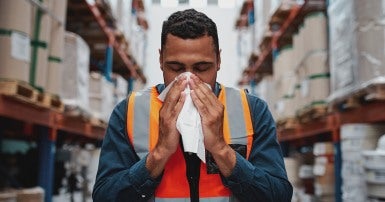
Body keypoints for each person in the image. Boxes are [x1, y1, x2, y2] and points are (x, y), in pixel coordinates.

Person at [92, 9, 292, 202]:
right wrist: (159, 154)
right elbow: (105, 195)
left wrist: (222, 151)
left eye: (202, 68)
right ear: (161, 60)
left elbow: (278, 195)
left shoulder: (251, 110)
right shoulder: (130, 112)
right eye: (176, 68)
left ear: (218, 60)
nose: (188, 79)